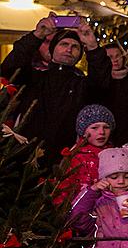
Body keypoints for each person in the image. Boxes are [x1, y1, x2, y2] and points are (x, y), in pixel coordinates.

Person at [0, 14, 111, 163]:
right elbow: (9, 68)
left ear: (79, 55)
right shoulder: (34, 77)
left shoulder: (81, 85)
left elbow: (101, 84)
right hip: (23, 157)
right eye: (64, 44)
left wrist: (92, 46)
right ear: (52, 50)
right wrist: (37, 35)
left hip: (63, 161)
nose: (69, 49)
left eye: (75, 47)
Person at [57, 104, 116, 206]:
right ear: (83, 132)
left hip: (110, 211)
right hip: (82, 210)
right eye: (94, 128)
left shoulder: (115, 155)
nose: (101, 132)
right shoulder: (76, 157)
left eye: (106, 127)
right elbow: (63, 189)